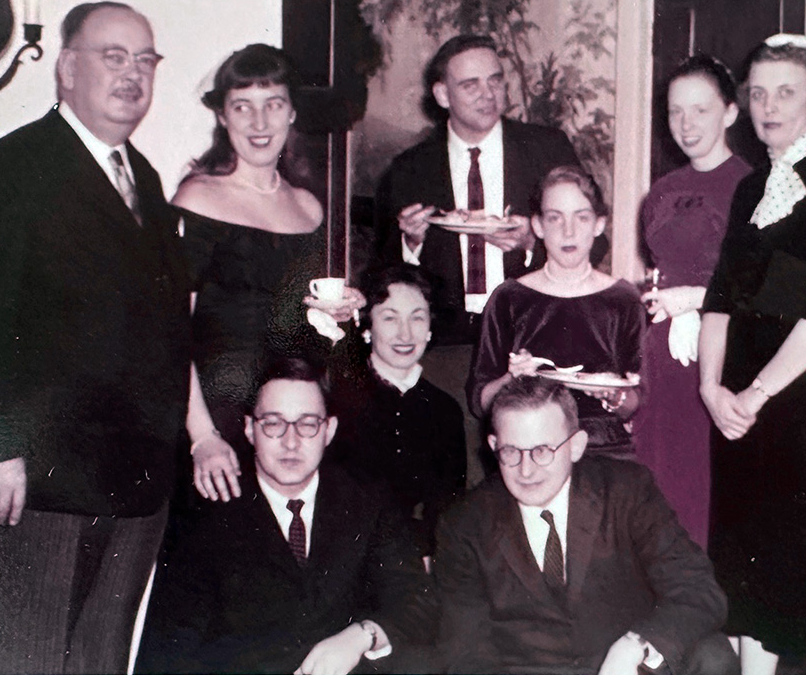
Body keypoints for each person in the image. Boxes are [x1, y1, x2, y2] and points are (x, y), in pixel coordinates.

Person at [0, 1, 192, 674]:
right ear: (68, 68)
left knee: (100, 664)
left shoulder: (145, 179)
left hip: (135, 484)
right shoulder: (6, 170)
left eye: (145, 61)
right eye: (114, 57)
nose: (132, 74)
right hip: (37, 484)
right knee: (30, 662)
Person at [699, 34, 806, 675]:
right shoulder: (752, 189)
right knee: (750, 576)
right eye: (758, 93)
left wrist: (754, 394)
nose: (769, 106)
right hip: (740, 410)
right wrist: (711, 389)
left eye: (786, 92)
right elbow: (720, 299)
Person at [373, 34, 600, 482]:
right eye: (470, 84)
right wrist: (411, 242)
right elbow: (384, 274)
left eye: (495, 80)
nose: (488, 94)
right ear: (442, 94)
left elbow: (597, 239)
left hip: (533, 341)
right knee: (454, 479)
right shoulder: (410, 169)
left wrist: (534, 242)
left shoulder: (546, 149)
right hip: (448, 348)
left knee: (536, 472)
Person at [136, 357, 437, 675]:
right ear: (250, 429)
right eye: (273, 423)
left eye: (307, 424)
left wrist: (362, 636)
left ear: (329, 430)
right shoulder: (205, 516)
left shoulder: (367, 500)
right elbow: (171, 649)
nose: (290, 442)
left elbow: (418, 601)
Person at [434, 376, 737, 675]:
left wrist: (636, 645)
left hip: (624, 668)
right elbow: (465, 652)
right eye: (511, 451)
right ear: (493, 445)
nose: (525, 470)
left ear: (576, 446)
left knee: (713, 655)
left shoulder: (626, 490)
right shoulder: (465, 522)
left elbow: (699, 591)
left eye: (542, 451)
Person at [170, 43, 361, 502]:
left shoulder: (309, 207)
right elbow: (169, 332)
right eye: (243, 106)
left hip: (293, 425)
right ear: (223, 116)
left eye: (273, 104)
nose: (259, 123)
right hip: (218, 425)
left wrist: (341, 314)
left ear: (292, 113)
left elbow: (304, 323)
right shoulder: (196, 199)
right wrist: (202, 437)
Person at [634, 55, 751, 548]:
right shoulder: (662, 192)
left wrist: (697, 300)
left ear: (730, 112)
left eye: (700, 110)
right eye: (675, 111)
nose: (686, 124)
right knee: (657, 484)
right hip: (665, 356)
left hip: (723, 354)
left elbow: (762, 289)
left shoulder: (753, 187)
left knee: (706, 489)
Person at [469, 166, 643, 458]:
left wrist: (615, 396)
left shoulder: (623, 299)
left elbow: (640, 400)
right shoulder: (509, 297)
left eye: (581, 217)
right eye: (555, 217)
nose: (568, 231)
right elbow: (481, 402)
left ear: (599, 224)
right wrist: (512, 378)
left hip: (606, 449)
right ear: (538, 226)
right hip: (531, 448)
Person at [327, 264, 466, 559]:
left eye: (417, 318)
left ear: (430, 327)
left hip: (412, 559)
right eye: (390, 318)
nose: (405, 333)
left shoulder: (445, 410)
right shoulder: (337, 398)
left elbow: (448, 509)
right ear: (367, 327)